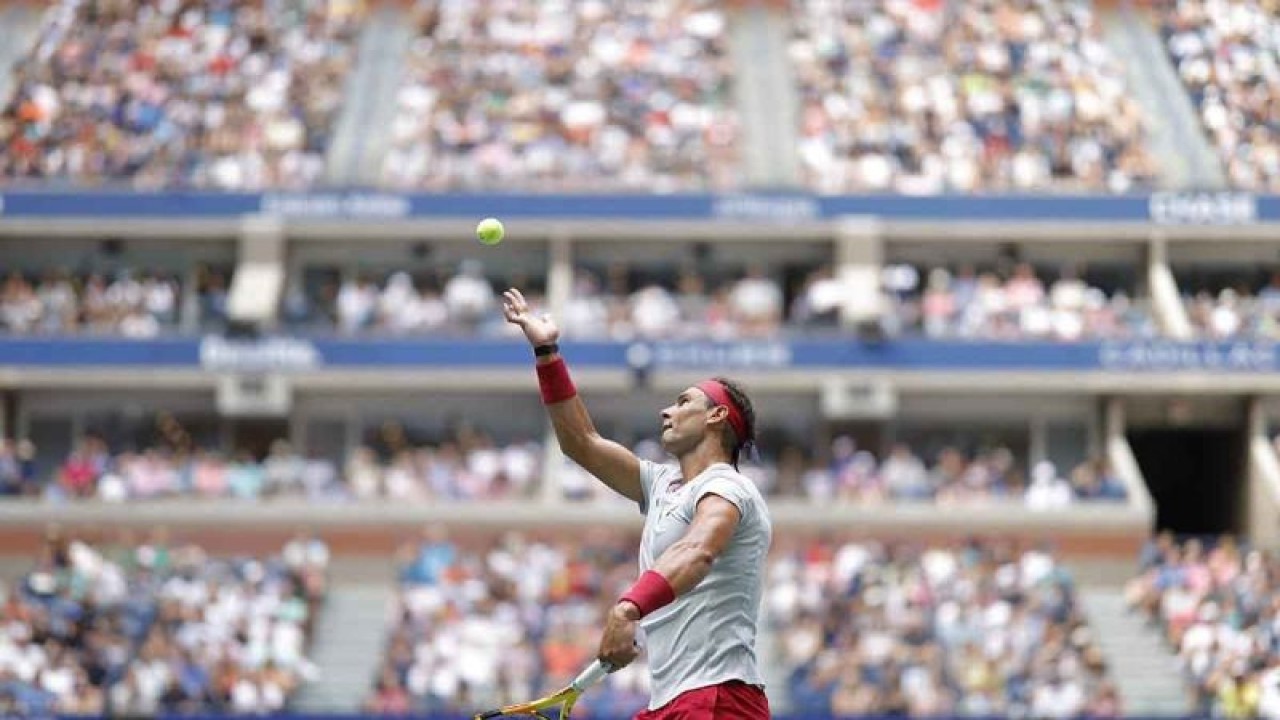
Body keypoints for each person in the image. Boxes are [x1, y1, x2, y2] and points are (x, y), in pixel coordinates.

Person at [502, 288, 772, 720]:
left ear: (718, 416)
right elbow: (581, 443)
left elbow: (698, 550)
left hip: (719, 699)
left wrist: (629, 606)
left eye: (684, 402)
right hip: (671, 704)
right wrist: (547, 352)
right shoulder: (662, 484)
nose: (667, 411)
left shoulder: (729, 487)